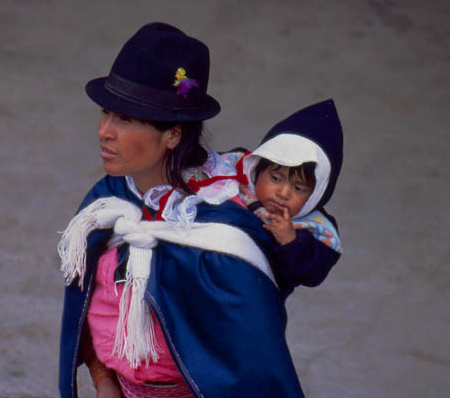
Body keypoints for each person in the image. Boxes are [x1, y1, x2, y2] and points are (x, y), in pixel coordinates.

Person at [57, 22, 304, 398]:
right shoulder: (106, 203)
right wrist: (104, 380)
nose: (104, 131)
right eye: (105, 113)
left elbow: (253, 367)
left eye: (124, 119)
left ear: (173, 134)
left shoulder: (221, 243)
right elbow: (90, 302)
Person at [218, 99, 344, 295]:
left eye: (299, 189)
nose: (283, 193)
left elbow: (314, 273)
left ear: (315, 196)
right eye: (275, 178)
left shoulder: (314, 229)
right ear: (257, 168)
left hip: (253, 303)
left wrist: (291, 241)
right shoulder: (231, 174)